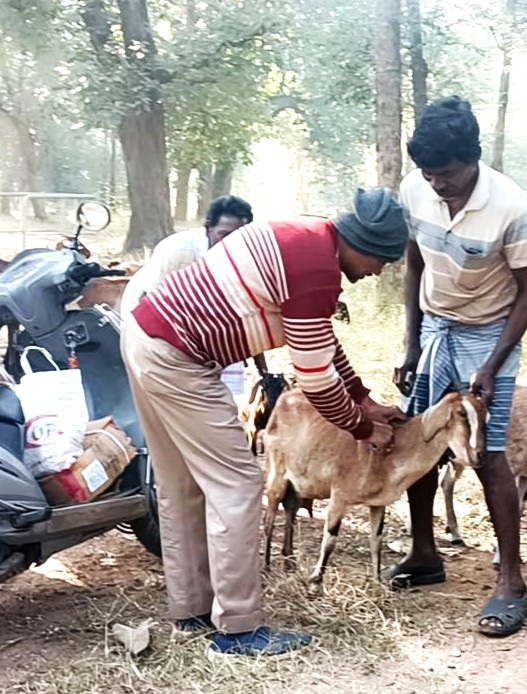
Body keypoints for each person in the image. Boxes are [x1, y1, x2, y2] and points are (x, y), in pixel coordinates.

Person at [121, 188, 409, 657]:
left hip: (146, 337)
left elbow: (319, 339)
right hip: (177, 358)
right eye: (382, 260)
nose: (378, 272)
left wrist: (363, 399)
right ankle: (238, 630)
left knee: (182, 484)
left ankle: (192, 609)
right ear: (364, 245)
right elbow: (315, 380)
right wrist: (362, 427)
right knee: (237, 484)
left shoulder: (307, 237)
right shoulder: (316, 268)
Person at [389, 96, 527, 637]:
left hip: (490, 334)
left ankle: (511, 581)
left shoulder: (510, 205)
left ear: (473, 158)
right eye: (430, 175)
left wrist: (495, 364)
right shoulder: (415, 189)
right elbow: (414, 263)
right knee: (420, 443)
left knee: (486, 455)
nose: (438, 185)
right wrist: (411, 343)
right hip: (435, 328)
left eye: (448, 175)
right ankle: (424, 553)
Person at [120, 195, 258, 394]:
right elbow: (149, 303)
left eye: (239, 237)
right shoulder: (178, 250)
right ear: (208, 228)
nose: (230, 243)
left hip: (201, 327)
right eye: (224, 235)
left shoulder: (244, 254)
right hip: (150, 323)